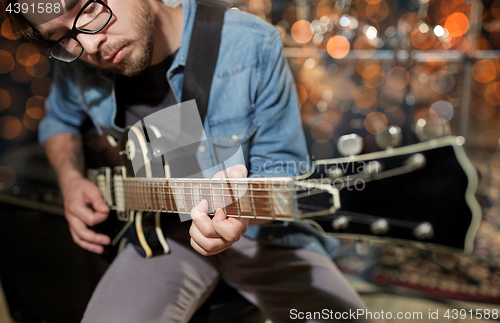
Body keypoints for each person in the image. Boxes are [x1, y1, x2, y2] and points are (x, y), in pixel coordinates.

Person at [2, 0, 373, 321]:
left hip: (265, 234)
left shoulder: (251, 44)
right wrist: (70, 180)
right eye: (62, 37)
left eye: (91, 8)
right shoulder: (79, 61)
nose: (89, 44)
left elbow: (281, 171)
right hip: (159, 234)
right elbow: (58, 120)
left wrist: (240, 214)